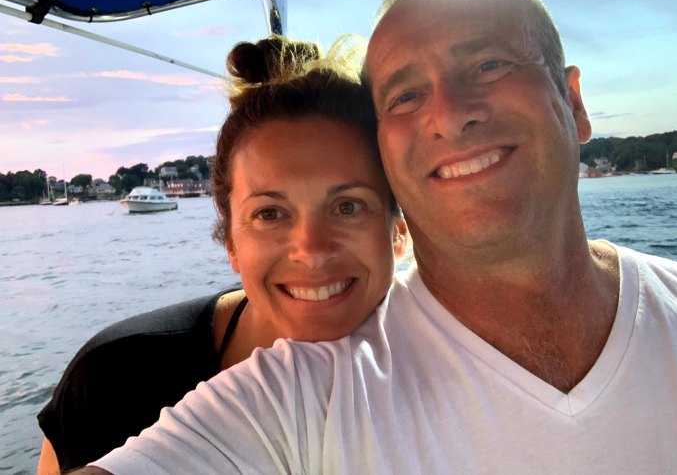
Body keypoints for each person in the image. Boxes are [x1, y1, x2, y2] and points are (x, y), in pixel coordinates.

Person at [80, 0, 677, 474]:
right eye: (405, 95)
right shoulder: (303, 394)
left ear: (573, 102)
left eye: (489, 64)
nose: (450, 115)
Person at [36, 35, 407, 473]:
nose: (311, 250)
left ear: (398, 232)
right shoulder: (114, 377)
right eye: (269, 213)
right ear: (230, 242)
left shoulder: (448, 359)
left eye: (348, 207)